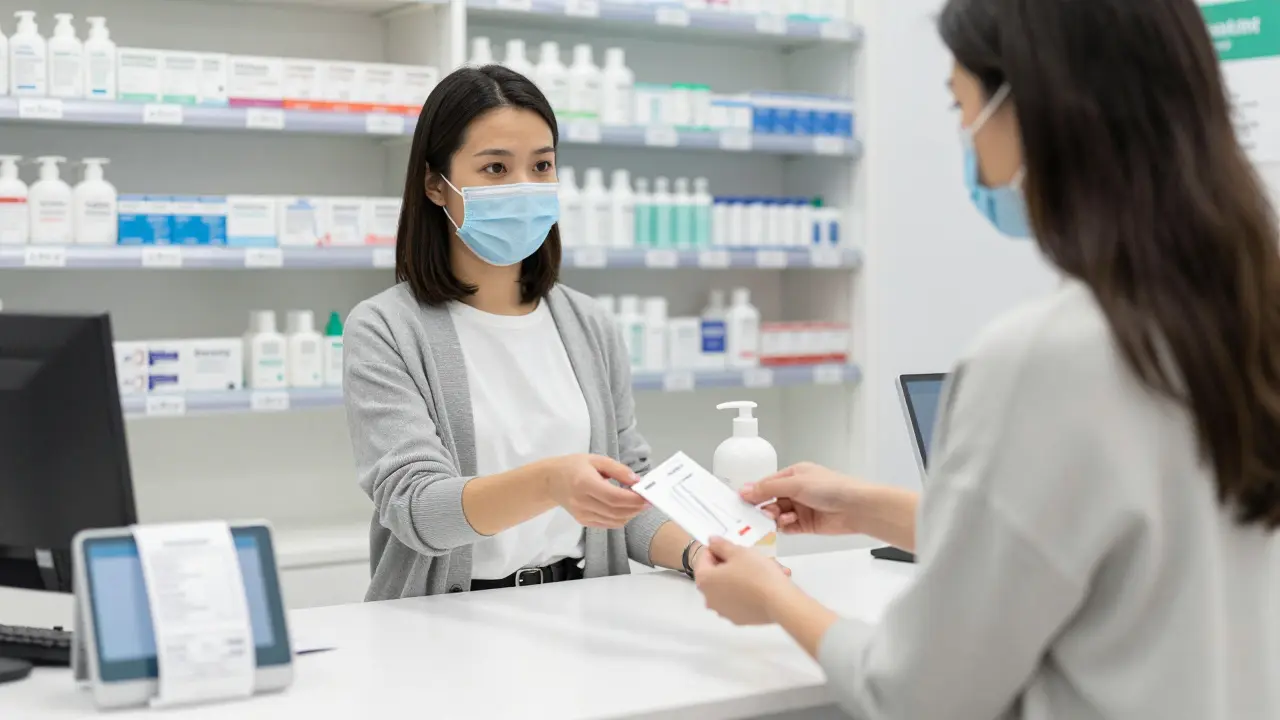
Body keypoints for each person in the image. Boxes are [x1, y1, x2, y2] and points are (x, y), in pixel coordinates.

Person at [693, 1, 1280, 718]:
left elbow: (916, 691)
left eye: (961, 106)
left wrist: (774, 597)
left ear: (1032, 109)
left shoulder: (1045, 358)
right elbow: (1110, 549)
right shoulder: (1243, 318)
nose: (967, 139)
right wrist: (869, 508)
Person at [343, 65, 701, 600]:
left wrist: (702, 553)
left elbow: (626, 495)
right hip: (446, 620)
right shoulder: (387, 329)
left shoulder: (587, 324)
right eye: (494, 168)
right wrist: (551, 483)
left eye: (541, 166)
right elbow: (419, 510)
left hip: (581, 607)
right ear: (436, 184)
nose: (524, 188)